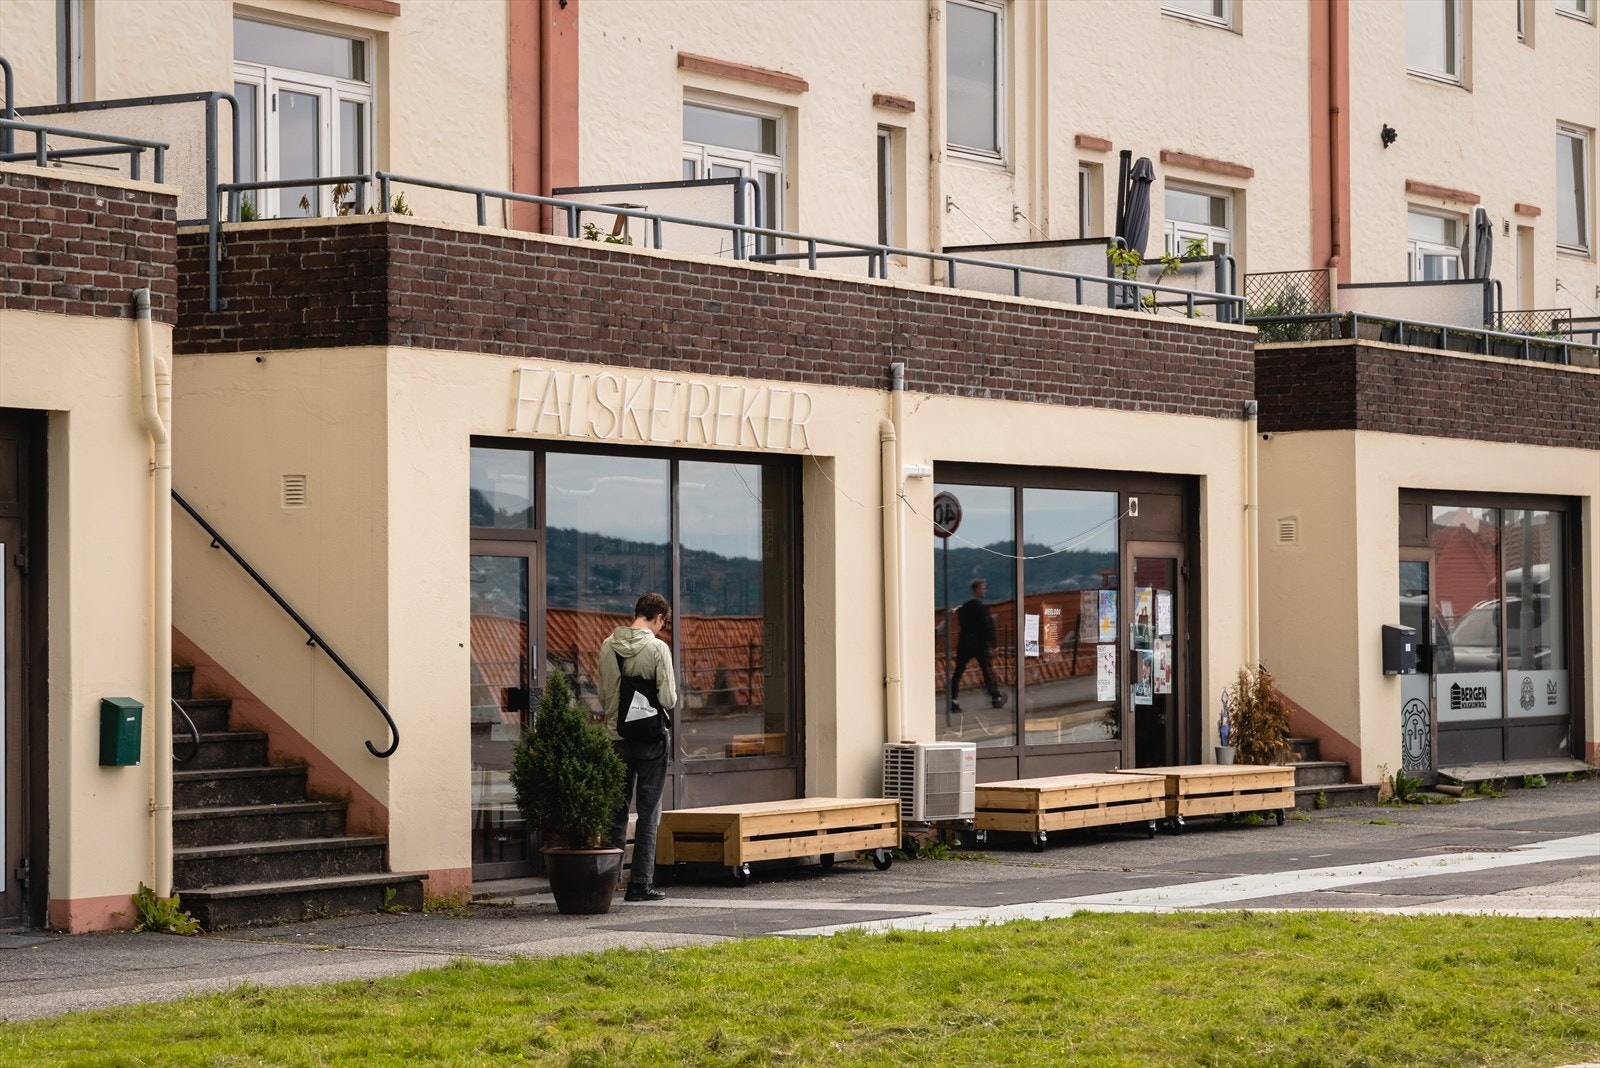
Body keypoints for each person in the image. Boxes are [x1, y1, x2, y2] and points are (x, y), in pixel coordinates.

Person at [598, 592, 677, 902]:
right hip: (651, 740)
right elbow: (668, 699)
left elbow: (604, 697)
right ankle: (640, 885)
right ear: (657, 617)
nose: (661, 628)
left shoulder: (608, 646)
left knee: (615, 812)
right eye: (663, 623)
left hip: (616, 737)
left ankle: (607, 883)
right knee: (648, 812)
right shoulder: (658, 649)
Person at [950, 578, 1006, 711]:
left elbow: (962, 626)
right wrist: (993, 646)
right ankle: (995, 697)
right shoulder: (982, 608)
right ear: (976, 590)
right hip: (980, 644)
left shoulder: (963, 608)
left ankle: (954, 701)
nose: (984, 591)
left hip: (964, 644)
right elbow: (988, 628)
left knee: (958, 672)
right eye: (983, 588)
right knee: (987, 671)